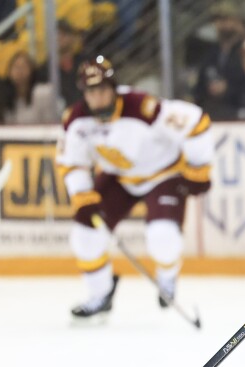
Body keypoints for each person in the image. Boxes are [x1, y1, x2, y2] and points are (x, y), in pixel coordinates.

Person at [56, 56, 214, 320]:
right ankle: (100, 294)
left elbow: (196, 121)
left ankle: (167, 279)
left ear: (113, 87)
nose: (98, 97)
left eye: (102, 89)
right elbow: (71, 162)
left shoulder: (141, 107)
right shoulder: (76, 120)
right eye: (91, 92)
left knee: (162, 236)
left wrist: (200, 169)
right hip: (119, 177)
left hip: (164, 174)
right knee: (84, 233)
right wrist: (81, 194)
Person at [3, 50, 59, 124]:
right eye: (16, 67)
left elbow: (51, 123)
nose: (19, 71)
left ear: (31, 69)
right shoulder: (6, 97)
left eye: (23, 67)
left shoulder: (43, 93)